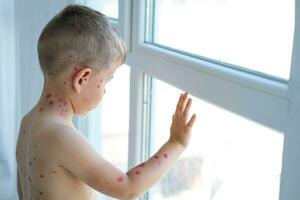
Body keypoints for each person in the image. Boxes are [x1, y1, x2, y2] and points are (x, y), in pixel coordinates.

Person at [16, 5, 197, 200]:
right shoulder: (61, 137)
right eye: (107, 79)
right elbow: (127, 188)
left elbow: (23, 190)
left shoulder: (27, 123)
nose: (105, 90)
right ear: (82, 79)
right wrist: (176, 143)